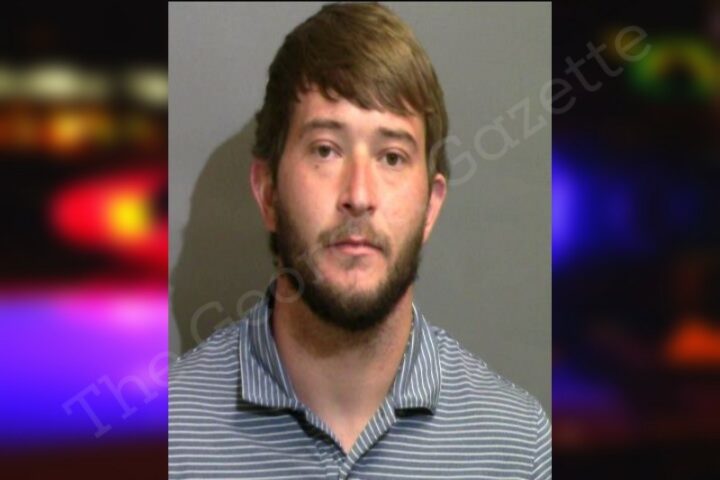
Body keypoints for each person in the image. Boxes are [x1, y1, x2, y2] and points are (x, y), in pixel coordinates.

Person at [169, 3, 551, 479]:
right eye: (326, 150)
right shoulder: (163, 437)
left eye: (392, 157)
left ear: (430, 207)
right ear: (268, 193)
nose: (359, 195)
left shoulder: (517, 448)